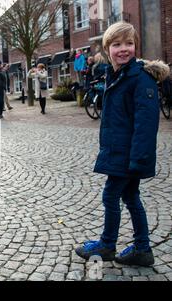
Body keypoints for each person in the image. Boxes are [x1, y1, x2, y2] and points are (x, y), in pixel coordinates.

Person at [75, 22, 170, 267]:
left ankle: (107, 245)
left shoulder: (140, 79)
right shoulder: (117, 74)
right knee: (130, 196)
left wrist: (138, 160)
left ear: (135, 45)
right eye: (117, 44)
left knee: (111, 195)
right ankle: (142, 248)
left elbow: (146, 124)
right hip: (119, 150)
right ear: (108, 49)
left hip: (128, 154)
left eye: (128, 43)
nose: (123, 49)